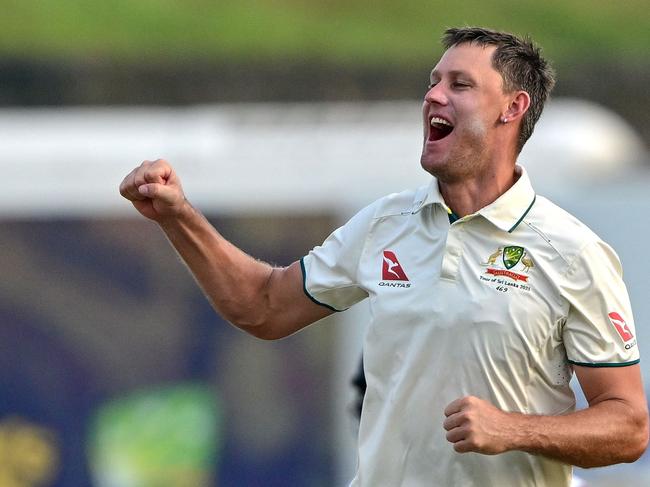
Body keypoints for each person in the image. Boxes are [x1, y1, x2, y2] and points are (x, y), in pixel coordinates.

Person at [119, 27, 648, 487]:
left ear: (513, 108)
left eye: (459, 85)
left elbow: (627, 426)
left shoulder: (572, 252)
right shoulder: (384, 224)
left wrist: (512, 429)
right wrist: (176, 214)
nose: (434, 96)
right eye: (433, 82)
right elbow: (262, 306)